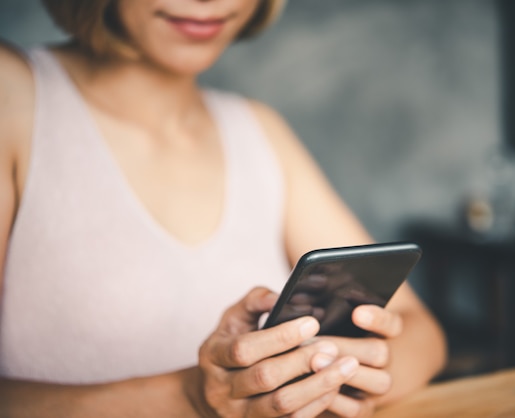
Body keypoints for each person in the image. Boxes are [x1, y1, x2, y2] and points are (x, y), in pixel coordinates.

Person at [0, 0, 447, 416]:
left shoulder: (257, 129)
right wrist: (193, 395)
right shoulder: (13, 94)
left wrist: (347, 379)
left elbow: (421, 331)